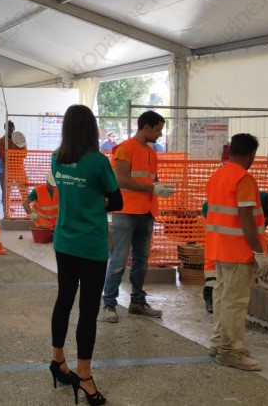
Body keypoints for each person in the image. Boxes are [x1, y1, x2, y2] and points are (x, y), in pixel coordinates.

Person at [49, 104, 121, 406]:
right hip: (91, 244)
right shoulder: (98, 161)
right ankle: (84, 374)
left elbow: (67, 193)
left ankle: (58, 360)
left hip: (64, 241)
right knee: (88, 309)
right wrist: (97, 203)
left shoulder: (57, 158)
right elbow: (117, 200)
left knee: (64, 300)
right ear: (91, 129)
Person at [101, 111, 175, 323]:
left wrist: (159, 185)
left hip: (146, 212)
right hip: (126, 212)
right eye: (158, 129)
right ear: (146, 127)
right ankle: (109, 304)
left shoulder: (151, 152)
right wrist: (153, 187)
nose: (160, 134)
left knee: (141, 261)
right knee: (119, 259)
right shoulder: (125, 149)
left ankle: (137, 302)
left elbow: (150, 179)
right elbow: (121, 180)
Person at [206, 133, 268, 371]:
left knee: (222, 298)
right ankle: (229, 351)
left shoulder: (218, 175)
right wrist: (260, 253)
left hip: (219, 247)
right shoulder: (243, 179)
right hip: (237, 251)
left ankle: (219, 343)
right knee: (235, 302)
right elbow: (246, 220)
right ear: (251, 154)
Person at [200, 187, 268, 315]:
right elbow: (248, 228)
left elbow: (259, 234)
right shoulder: (257, 201)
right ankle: (210, 296)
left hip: (232, 221)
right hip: (213, 213)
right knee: (216, 256)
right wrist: (261, 256)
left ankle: (224, 295)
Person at [0, 121, 28, 218]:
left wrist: (9, 154)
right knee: (6, 192)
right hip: (7, 170)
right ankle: (6, 213)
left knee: (24, 191)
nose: (10, 130)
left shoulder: (21, 139)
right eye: (8, 128)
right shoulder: (0, 141)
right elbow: (1, 155)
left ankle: (28, 213)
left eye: (11, 128)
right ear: (5, 129)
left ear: (14, 128)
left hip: (19, 169)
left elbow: (24, 154)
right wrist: (15, 155)